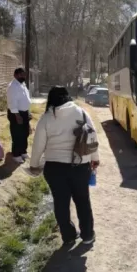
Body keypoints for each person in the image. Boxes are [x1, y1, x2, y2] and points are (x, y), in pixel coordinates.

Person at [29, 86, 99, 246]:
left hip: (55, 169)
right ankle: (88, 235)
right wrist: (95, 159)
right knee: (83, 201)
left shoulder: (47, 118)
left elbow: (38, 145)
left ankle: (68, 236)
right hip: (80, 166)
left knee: (61, 203)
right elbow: (92, 138)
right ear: (68, 97)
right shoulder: (81, 113)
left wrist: (34, 165)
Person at [7, 67, 32, 163]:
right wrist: (17, 116)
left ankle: (23, 151)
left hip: (24, 112)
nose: (23, 76)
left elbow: (25, 99)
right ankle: (16, 154)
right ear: (15, 75)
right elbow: (12, 102)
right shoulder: (13, 86)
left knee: (25, 133)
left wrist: (28, 112)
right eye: (21, 74)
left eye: (24, 74)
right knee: (17, 133)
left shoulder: (23, 85)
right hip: (16, 113)